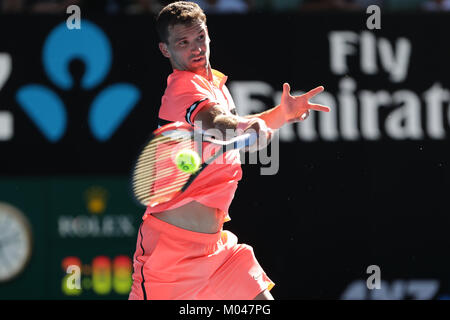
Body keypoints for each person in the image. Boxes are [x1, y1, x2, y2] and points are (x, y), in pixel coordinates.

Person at [128, 1, 330, 300]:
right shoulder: (182, 88)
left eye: (200, 38)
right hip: (170, 257)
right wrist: (246, 130)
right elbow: (218, 123)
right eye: (183, 43)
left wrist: (281, 114)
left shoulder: (215, 85)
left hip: (217, 251)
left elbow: (238, 125)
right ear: (165, 50)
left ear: (208, 34)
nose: (196, 48)